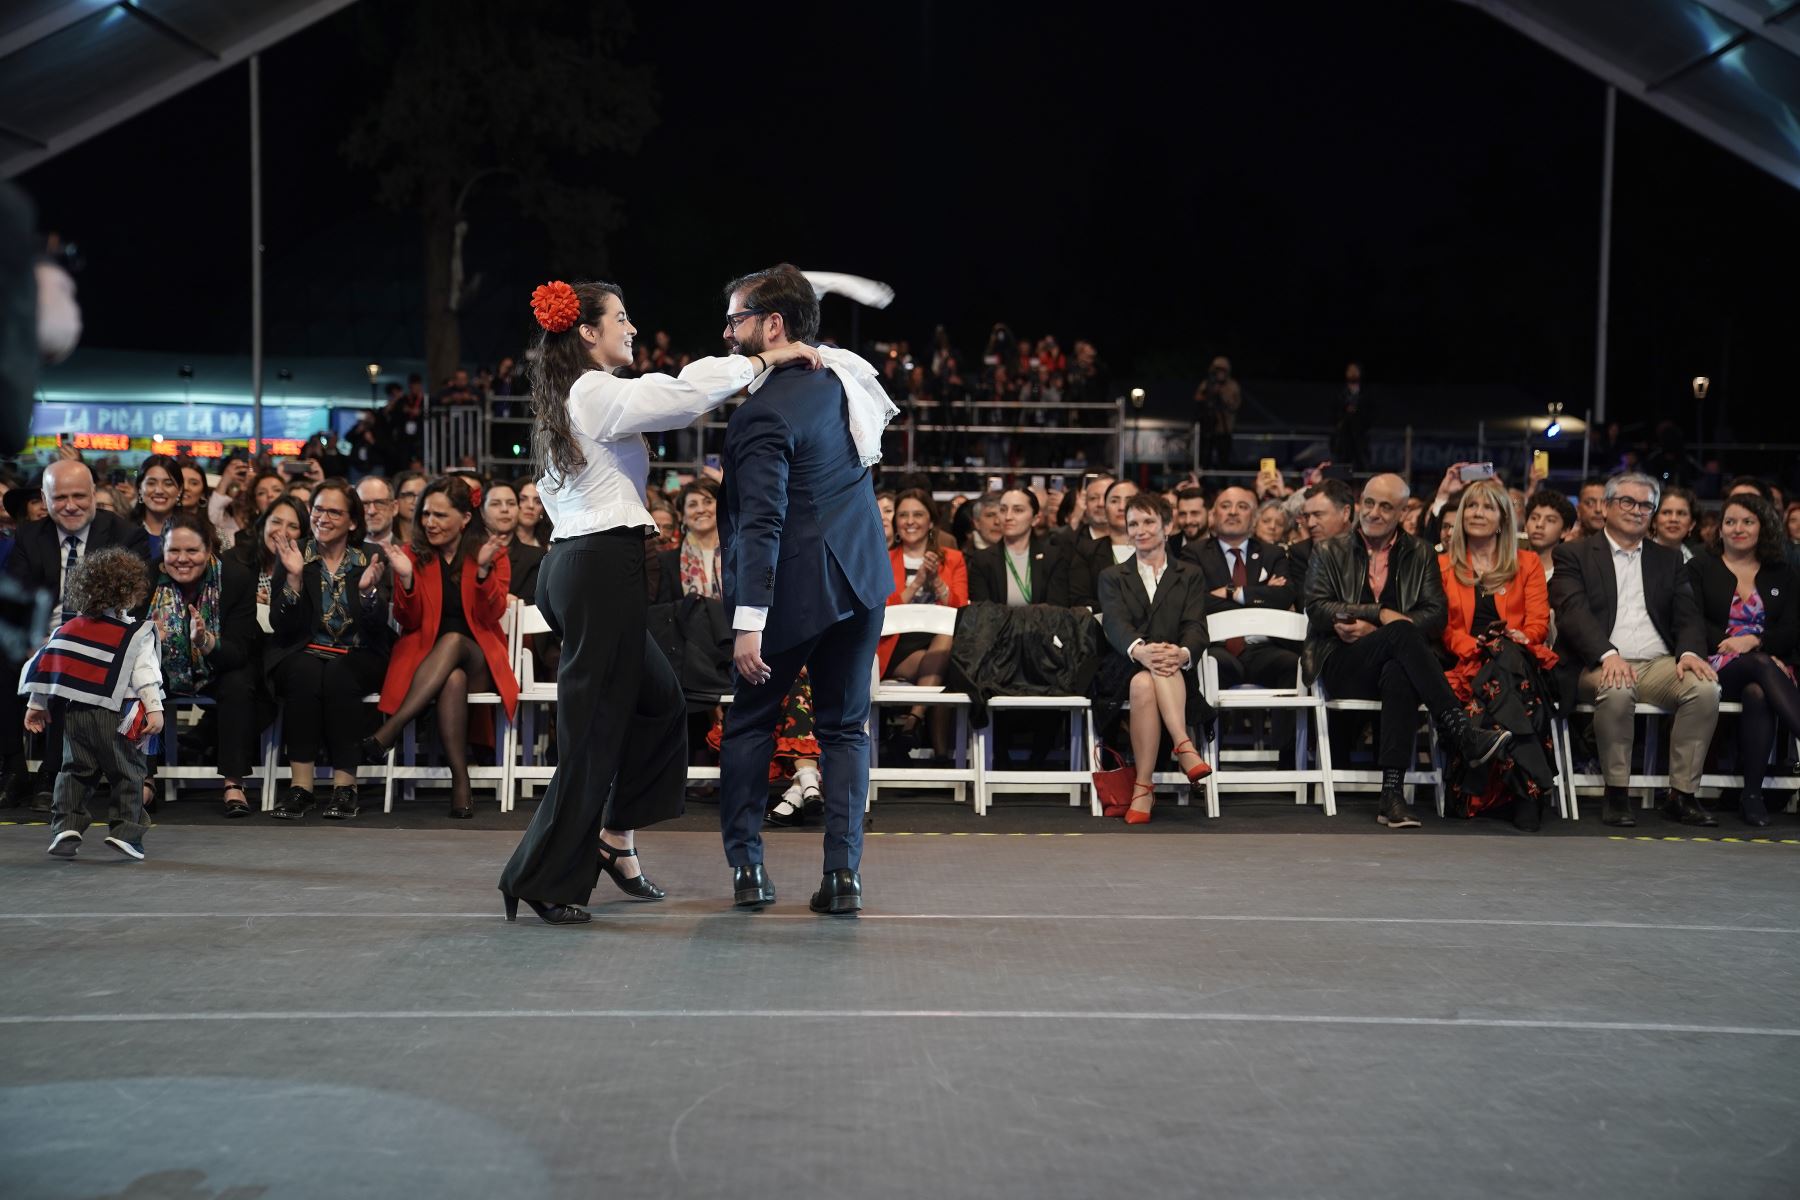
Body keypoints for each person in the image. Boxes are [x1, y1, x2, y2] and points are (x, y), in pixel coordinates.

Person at [498, 277, 822, 926]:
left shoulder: (577, 395)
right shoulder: (591, 391)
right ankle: (545, 876)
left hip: (585, 567)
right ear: (588, 332)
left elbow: (675, 388)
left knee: (662, 702)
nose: (633, 328)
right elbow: (679, 394)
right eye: (622, 318)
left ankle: (614, 838)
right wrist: (764, 359)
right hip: (597, 566)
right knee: (593, 733)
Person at [716, 263, 892, 917]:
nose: (726, 330)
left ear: (773, 325)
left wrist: (749, 617)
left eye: (736, 318)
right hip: (864, 578)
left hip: (794, 589)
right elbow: (803, 297)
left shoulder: (759, 415)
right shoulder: (843, 377)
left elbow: (760, 523)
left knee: (751, 724)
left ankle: (747, 871)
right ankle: (843, 877)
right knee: (845, 730)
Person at [1303, 473, 1511, 829]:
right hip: (1341, 660)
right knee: (1400, 632)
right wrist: (1378, 614)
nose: (1374, 512)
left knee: (1400, 671)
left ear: (1402, 511)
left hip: (1395, 663)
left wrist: (1381, 627)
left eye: (1386, 506)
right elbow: (1317, 607)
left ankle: (1392, 797)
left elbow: (1435, 615)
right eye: (1369, 503)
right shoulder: (1328, 550)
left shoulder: (1421, 552)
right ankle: (1461, 731)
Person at [1550, 472, 1720, 828]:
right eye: (1627, 502)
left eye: (1646, 505)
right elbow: (1573, 614)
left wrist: (1689, 653)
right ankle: (1616, 793)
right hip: (1594, 662)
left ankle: (1681, 796)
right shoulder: (1574, 554)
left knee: (1704, 689)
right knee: (1617, 688)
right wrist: (1607, 654)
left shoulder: (1669, 559)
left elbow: (1688, 614)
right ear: (1607, 506)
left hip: (1657, 663)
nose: (1636, 510)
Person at [1, 460, 151, 810]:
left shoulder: (125, 534)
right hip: (42, 638)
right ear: (45, 497)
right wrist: (32, 640)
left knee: (69, 667)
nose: (71, 505)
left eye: (79, 496)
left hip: (101, 640)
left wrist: (74, 644)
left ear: (94, 495)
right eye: (61, 497)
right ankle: (14, 769)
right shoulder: (28, 536)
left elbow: (136, 603)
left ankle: (52, 775)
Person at [365, 477, 518, 819]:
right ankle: (460, 782)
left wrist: (482, 574)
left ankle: (390, 730)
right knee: (452, 679)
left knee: (454, 643)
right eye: (426, 514)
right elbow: (410, 619)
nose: (429, 522)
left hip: (481, 661)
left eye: (440, 515)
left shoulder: (493, 553)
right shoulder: (411, 554)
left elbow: (491, 613)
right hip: (429, 667)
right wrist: (405, 579)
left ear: (465, 518)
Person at [23, 547, 163, 861]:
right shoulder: (135, 634)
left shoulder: (69, 630)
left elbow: (46, 666)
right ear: (130, 591)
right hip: (119, 716)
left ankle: (66, 827)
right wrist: (155, 708)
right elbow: (145, 674)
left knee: (74, 771)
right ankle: (127, 832)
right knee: (127, 773)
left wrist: (37, 703)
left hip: (77, 715)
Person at [1436, 478, 1558, 830]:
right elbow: (1443, 627)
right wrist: (1474, 646)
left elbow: (1537, 621)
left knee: (1505, 654)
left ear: (1503, 518)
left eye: (1488, 507)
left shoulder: (1527, 562)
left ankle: (1476, 781)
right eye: (1471, 506)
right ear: (1460, 517)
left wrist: (1523, 635)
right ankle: (1529, 791)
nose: (1478, 513)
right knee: (1499, 659)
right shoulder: (1443, 566)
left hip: (1518, 660)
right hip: (1468, 661)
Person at [265, 479, 389, 823]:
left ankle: (345, 787)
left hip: (360, 652)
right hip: (303, 651)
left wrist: (367, 596)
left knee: (338, 673)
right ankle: (301, 788)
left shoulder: (370, 557)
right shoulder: (295, 553)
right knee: (305, 672)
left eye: (334, 511)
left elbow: (378, 628)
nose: (323, 517)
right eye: (318, 509)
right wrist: (292, 580)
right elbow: (281, 625)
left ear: (352, 521)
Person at [1096, 492, 1212, 823]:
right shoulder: (1112, 577)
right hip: (1124, 663)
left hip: (1174, 667)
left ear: (1167, 526)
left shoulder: (1189, 574)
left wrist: (1183, 652)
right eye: (1133, 523)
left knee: (1150, 680)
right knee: (1144, 677)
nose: (1140, 530)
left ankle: (1143, 788)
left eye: (1148, 521)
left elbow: (1195, 626)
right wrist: (1139, 649)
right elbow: (1116, 625)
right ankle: (1184, 746)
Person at [1687, 493, 1798, 827]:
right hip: (1714, 662)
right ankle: (1752, 794)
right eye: (1730, 522)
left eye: (1747, 522)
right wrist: (1731, 643)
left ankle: (1751, 795)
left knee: (1758, 693)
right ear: (1719, 529)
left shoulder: (1783, 572)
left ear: (1761, 528)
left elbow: (1793, 628)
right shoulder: (1700, 566)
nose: (1738, 529)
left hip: (1768, 665)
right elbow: (1691, 618)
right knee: (1761, 667)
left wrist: (1756, 641)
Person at [145, 512, 260, 817]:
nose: (182, 559)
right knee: (138, 678)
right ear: (162, 550)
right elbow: (123, 638)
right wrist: (147, 639)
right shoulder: (145, 578)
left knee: (239, 682)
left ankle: (234, 783)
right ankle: (143, 779)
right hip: (163, 667)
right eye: (173, 551)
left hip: (220, 667)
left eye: (192, 551)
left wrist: (205, 642)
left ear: (209, 549)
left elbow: (238, 651)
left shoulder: (235, 578)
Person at [876, 489, 969, 760]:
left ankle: (913, 722)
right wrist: (917, 583)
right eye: (903, 515)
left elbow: (962, 610)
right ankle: (939, 753)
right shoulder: (884, 557)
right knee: (947, 665)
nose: (909, 521)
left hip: (938, 646)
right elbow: (879, 610)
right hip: (895, 647)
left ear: (931, 522)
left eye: (918, 514)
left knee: (946, 639)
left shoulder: (952, 558)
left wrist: (937, 583)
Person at [1182, 485, 1298, 690]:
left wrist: (1234, 592)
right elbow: (1195, 601)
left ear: (1253, 518)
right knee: (1211, 666)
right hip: (1216, 646)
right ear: (1213, 515)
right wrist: (1261, 594)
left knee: (1292, 665)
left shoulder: (1272, 554)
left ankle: (1290, 725)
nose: (1233, 512)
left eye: (1242, 506)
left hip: (1263, 647)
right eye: (1226, 506)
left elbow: (1284, 597)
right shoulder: (1193, 554)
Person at [966, 486, 1069, 607]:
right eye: (1003, 510)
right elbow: (982, 612)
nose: (1008, 517)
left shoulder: (1052, 557)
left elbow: (1056, 610)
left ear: (1035, 519)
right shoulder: (982, 560)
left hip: (1042, 626)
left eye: (1018, 510)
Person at [480, 478, 544, 600]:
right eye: (495, 504)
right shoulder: (467, 551)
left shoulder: (535, 557)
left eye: (511, 503)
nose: (505, 509)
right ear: (482, 511)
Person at [1286, 478, 1355, 576]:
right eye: (1307, 516)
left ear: (1345, 513)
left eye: (1318, 514)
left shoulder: (1369, 548)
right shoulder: (1301, 553)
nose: (1310, 523)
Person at [132, 454, 182, 560]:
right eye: (151, 483)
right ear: (140, 488)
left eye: (168, 484)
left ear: (180, 490)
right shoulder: (124, 531)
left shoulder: (193, 532)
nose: (159, 491)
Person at [1523, 490, 1577, 574]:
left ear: (1565, 531)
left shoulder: (1569, 573)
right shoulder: (1509, 566)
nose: (1539, 524)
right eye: (1534, 518)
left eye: (1550, 520)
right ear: (1525, 525)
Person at [1652, 485, 1699, 562]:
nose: (1673, 519)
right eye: (1666, 512)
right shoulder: (1638, 556)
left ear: (1691, 524)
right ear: (1654, 521)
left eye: (1681, 513)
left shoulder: (1694, 565)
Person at [356, 476, 399, 548]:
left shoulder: (410, 554)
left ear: (394, 508)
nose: (371, 511)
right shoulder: (342, 555)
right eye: (364, 504)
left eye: (379, 503)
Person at [1169, 485, 1209, 557]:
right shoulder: (1166, 547)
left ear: (1209, 513)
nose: (1188, 521)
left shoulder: (1221, 549)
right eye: (1183, 514)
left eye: (1194, 513)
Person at [514, 477, 551, 549]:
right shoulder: (494, 546)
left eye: (538, 502)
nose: (531, 506)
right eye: (523, 499)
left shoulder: (550, 550)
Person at [391, 470, 426, 544]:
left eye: (422, 495)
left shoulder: (437, 541)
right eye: (409, 495)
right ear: (395, 499)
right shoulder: (384, 540)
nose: (417, 502)